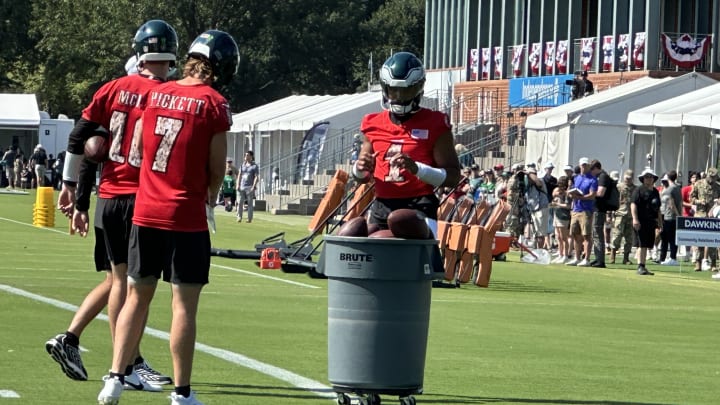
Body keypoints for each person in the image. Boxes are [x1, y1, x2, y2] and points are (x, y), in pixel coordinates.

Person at [97, 29, 239, 405]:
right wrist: (209, 197)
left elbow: (141, 143)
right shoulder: (213, 103)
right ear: (222, 65)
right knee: (183, 306)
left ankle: (114, 378)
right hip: (185, 215)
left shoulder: (156, 92)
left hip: (146, 210)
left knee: (135, 297)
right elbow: (216, 167)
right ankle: (182, 392)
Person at [52, 20, 177, 389]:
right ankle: (124, 366)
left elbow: (79, 137)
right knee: (134, 284)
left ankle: (82, 343)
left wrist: (69, 185)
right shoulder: (171, 94)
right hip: (145, 199)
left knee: (118, 280)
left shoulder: (113, 89)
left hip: (109, 198)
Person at [353, 51, 461, 230]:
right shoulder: (372, 123)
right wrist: (359, 167)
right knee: (357, 234)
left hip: (419, 205)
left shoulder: (435, 123)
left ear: (418, 87)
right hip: (382, 206)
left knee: (422, 255)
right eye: (393, 90)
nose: (398, 96)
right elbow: (362, 177)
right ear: (384, 88)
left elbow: (453, 177)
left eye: (405, 90)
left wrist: (417, 169)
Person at [566, 157, 597, 266]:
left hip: (586, 210)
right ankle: (577, 257)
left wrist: (581, 197)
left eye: (586, 165)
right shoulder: (577, 178)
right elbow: (573, 191)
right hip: (576, 209)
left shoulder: (592, 179)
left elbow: (592, 195)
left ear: (589, 166)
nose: (584, 167)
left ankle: (586, 259)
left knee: (586, 235)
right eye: (582, 165)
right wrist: (571, 194)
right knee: (575, 234)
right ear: (580, 166)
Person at [631, 169, 662, 275]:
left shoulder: (655, 192)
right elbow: (633, 204)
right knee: (642, 244)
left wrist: (660, 223)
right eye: (646, 177)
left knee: (648, 244)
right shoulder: (638, 190)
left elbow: (658, 208)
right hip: (641, 221)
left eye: (650, 177)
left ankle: (643, 266)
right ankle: (640, 266)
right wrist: (635, 219)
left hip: (651, 221)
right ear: (643, 179)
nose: (649, 179)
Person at [690, 167, 720, 272]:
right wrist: (699, 201)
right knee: (699, 240)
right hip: (700, 215)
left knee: (712, 240)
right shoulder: (698, 184)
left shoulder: (717, 187)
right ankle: (698, 262)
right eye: (712, 177)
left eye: (715, 177)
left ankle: (713, 264)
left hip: (712, 217)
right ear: (708, 175)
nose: (713, 179)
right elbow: (691, 199)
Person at [610, 169, 636, 265]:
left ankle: (626, 258)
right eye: (626, 178)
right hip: (620, 213)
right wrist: (610, 214)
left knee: (629, 238)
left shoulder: (635, 189)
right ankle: (613, 254)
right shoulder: (619, 187)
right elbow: (613, 200)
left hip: (630, 215)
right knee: (617, 235)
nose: (627, 180)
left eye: (629, 179)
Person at [589, 159, 611, 268]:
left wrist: (590, 193)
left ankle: (600, 260)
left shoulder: (603, 176)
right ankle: (597, 258)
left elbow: (600, 193)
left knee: (598, 233)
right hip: (597, 208)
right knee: (595, 233)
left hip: (600, 208)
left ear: (596, 168)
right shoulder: (600, 176)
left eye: (592, 170)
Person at [658, 171, 682, 265]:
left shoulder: (670, 189)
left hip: (669, 216)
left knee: (668, 239)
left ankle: (671, 257)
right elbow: (679, 202)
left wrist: (678, 215)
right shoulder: (676, 188)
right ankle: (664, 258)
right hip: (669, 216)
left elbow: (671, 204)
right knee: (668, 238)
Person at [550, 175, 572, 263]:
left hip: (564, 216)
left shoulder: (568, 193)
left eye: (562, 184)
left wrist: (558, 204)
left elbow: (568, 206)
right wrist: (554, 202)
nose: (560, 186)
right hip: (556, 214)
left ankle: (565, 255)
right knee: (558, 236)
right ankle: (560, 254)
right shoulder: (558, 192)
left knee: (564, 237)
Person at [236, 151, 259, 223]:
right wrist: (237, 184)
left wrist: (253, 186)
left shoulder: (254, 166)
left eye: (247, 155)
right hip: (242, 186)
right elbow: (239, 175)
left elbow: (256, 177)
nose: (246, 156)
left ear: (251, 156)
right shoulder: (242, 165)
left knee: (249, 203)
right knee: (240, 202)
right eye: (245, 155)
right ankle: (239, 217)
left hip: (249, 187)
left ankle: (249, 218)